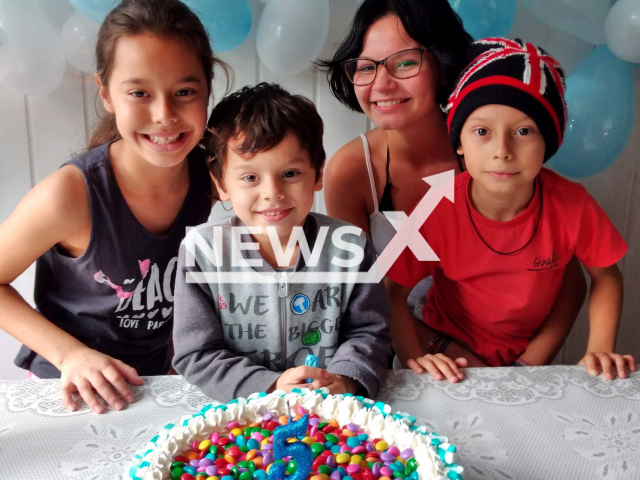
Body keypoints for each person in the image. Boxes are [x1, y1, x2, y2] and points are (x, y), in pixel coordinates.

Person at [319, 0, 587, 378]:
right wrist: (436, 350)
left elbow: (569, 282)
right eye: (365, 67)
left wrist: (526, 369)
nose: (381, 83)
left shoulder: (494, 148)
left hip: (517, 363)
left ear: (443, 65)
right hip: (409, 354)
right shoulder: (350, 171)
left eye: (405, 61)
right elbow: (361, 300)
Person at [0, 0, 225, 413]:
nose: (164, 115)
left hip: (157, 383)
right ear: (105, 92)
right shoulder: (69, 195)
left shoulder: (209, 174)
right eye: (139, 92)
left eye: (185, 92)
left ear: (207, 90)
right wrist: (70, 356)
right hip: (71, 392)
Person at [386, 38, 636, 381]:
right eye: (482, 131)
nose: (502, 150)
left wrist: (599, 348)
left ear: (547, 140)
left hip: (521, 363)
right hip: (444, 351)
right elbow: (391, 292)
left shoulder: (571, 205)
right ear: (459, 142)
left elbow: (606, 276)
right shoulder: (435, 204)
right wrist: (416, 359)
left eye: (523, 131)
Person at [172, 83, 392, 403]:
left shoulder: (351, 247)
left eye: (290, 173)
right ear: (221, 184)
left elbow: (370, 332)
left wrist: (345, 378)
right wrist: (270, 386)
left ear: (317, 174)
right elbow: (196, 352)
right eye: (250, 178)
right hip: (239, 417)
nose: (272, 192)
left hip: (329, 411)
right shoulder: (201, 252)